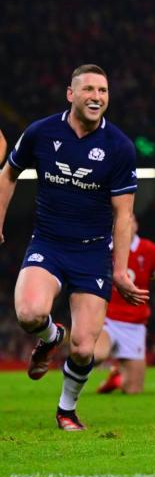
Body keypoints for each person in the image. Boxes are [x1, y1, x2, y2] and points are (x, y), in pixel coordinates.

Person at [0, 64, 147, 430]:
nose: (97, 97)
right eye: (89, 90)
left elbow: (124, 215)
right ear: (71, 94)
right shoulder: (41, 132)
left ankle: (66, 409)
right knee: (29, 314)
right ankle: (51, 336)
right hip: (48, 244)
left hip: (92, 252)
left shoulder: (119, 147)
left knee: (84, 349)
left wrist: (119, 269)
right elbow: (8, 174)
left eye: (103, 91)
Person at [94, 215, 155, 394]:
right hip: (108, 318)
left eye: (130, 220)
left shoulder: (148, 250)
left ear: (136, 225)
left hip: (135, 325)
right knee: (95, 355)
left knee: (133, 390)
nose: (125, 224)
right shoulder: (105, 247)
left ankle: (116, 376)